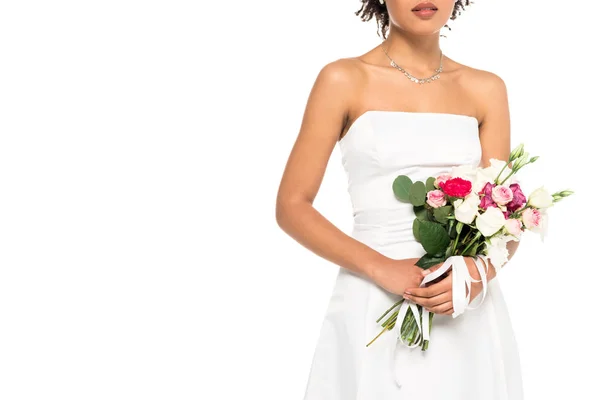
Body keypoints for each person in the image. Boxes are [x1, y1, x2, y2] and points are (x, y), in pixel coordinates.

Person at [275, 1, 523, 399]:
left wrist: (479, 273)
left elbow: (508, 211)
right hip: (373, 295)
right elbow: (291, 205)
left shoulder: (486, 88)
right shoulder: (343, 78)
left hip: (461, 302)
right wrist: (382, 268)